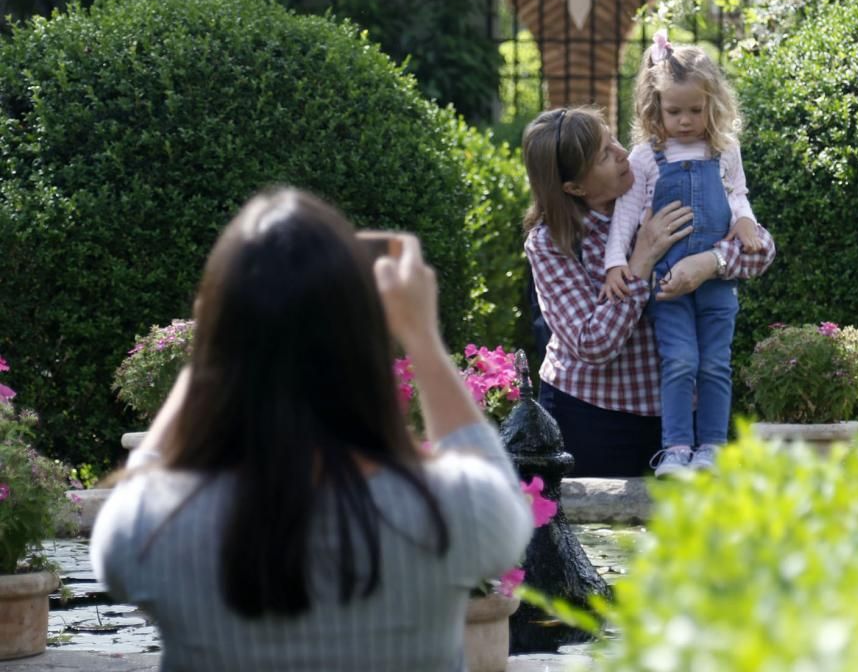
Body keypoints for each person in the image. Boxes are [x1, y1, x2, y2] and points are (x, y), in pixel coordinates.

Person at [91, 188, 533, 671]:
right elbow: (494, 484)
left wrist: (212, 345)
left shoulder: (153, 526)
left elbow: (143, 478)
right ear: (362, 338)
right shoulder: (452, 510)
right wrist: (422, 339)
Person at [522, 104, 775, 478]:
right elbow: (593, 343)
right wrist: (641, 260)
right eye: (605, 156)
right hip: (592, 418)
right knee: (598, 534)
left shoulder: (661, 192)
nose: (624, 154)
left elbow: (761, 248)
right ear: (574, 187)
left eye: (614, 141)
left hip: (681, 421)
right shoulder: (550, 243)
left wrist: (710, 263)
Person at [600, 31, 770, 476]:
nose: (686, 121)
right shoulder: (645, 157)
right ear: (655, 108)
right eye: (674, 111)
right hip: (667, 284)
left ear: (713, 106)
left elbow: (737, 196)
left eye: (696, 110)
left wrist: (746, 223)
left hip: (718, 285)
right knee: (679, 361)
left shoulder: (724, 150)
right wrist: (615, 262)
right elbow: (627, 214)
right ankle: (675, 448)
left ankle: (711, 447)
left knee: (715, 363)